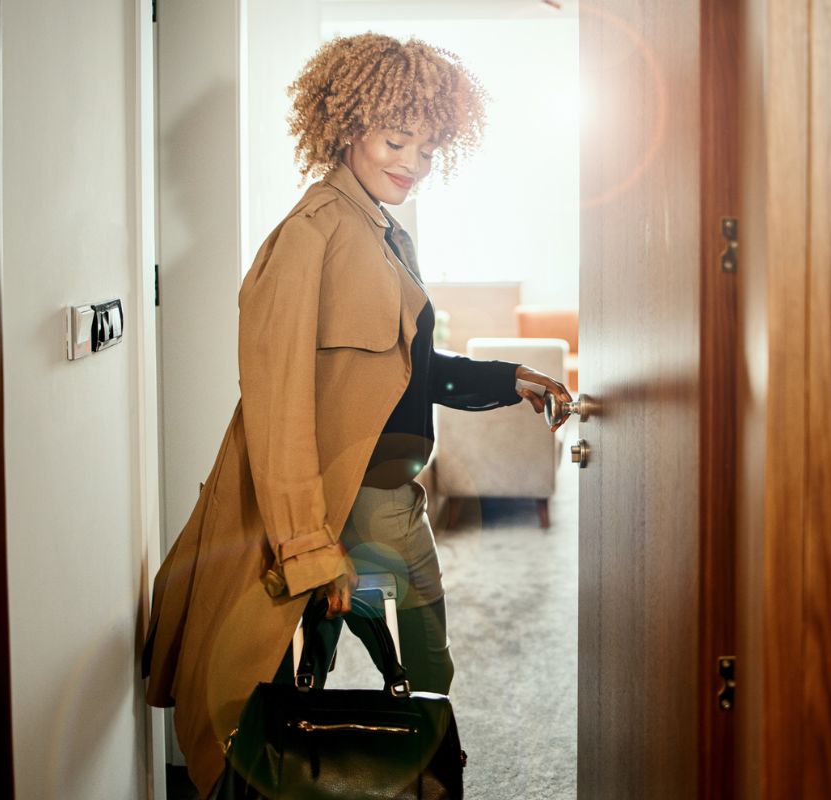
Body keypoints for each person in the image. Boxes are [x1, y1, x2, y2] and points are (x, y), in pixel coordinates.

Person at [142, 32, 571, 797]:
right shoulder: (311, 236)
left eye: (429, 147)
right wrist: (310, 546)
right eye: (395, 139)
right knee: (279, 681)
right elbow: (276, 405)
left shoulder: (377, 229)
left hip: (386, 489)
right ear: (347, 128)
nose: (412, 162)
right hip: (331, 497)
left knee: (426, 656)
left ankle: (408, 765)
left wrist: (510, 378)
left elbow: (409, 369)